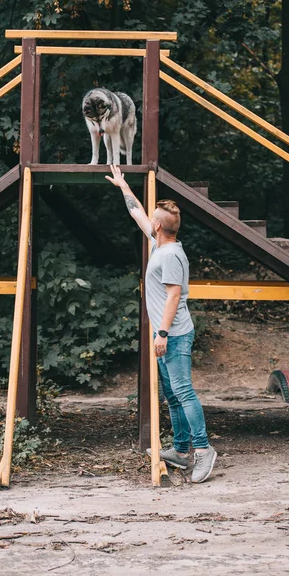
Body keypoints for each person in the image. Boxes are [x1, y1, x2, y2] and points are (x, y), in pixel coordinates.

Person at [105, 164, 217, 483]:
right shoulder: (160, 244)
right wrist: (124, 187)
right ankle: (181, 450)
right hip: (166, 333)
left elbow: (173, 296)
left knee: (183, 391)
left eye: (153, 217)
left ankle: (204, 450)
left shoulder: (169, 256)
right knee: (172, 393)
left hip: (175, 334)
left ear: (158, 226)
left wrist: (162, 334)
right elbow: (137, 213)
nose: (148, 218)